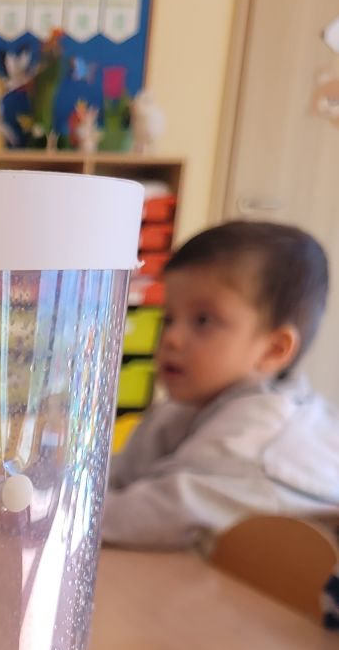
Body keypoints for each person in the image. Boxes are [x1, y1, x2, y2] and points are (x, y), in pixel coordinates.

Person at [103, 221, 339, 549]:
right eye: (168, 319)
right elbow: (118, 477)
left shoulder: (256, 434)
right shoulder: (181, 408)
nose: (171, 338)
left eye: (203, 321)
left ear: (273, 349)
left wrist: (53, 509)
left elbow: (165, 517)